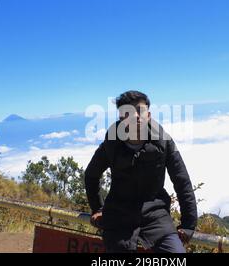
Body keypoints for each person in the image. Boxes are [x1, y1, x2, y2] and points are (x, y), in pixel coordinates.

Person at [84, 90, 197, 253]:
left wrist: (188, 225)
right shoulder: (112, 144)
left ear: (148, 115)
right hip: (119, 216)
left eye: (140, 111)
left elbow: (182, 182)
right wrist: (98, 208)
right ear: (122, 118)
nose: (136, 116)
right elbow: (91, 175)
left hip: (156, 216)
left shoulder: (163, 143)